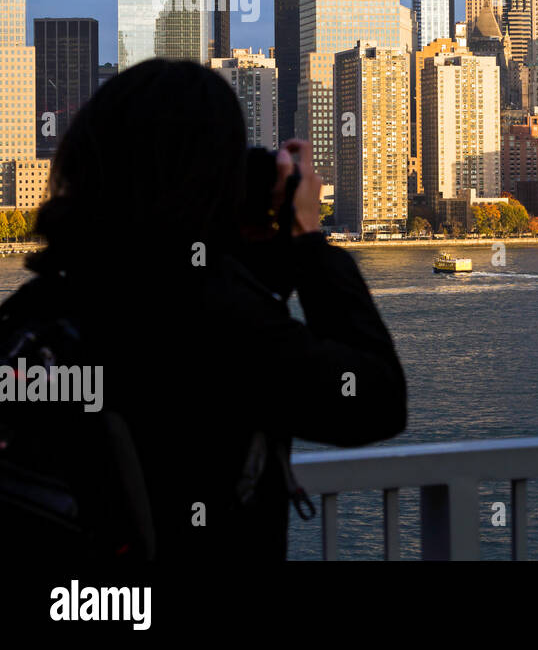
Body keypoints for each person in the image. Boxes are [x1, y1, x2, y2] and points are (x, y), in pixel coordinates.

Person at [0, 59, 407, 559]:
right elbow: (375, 401)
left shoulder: (32, 314)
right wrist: (305, 239)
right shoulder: (217, 326)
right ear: (214, 182)